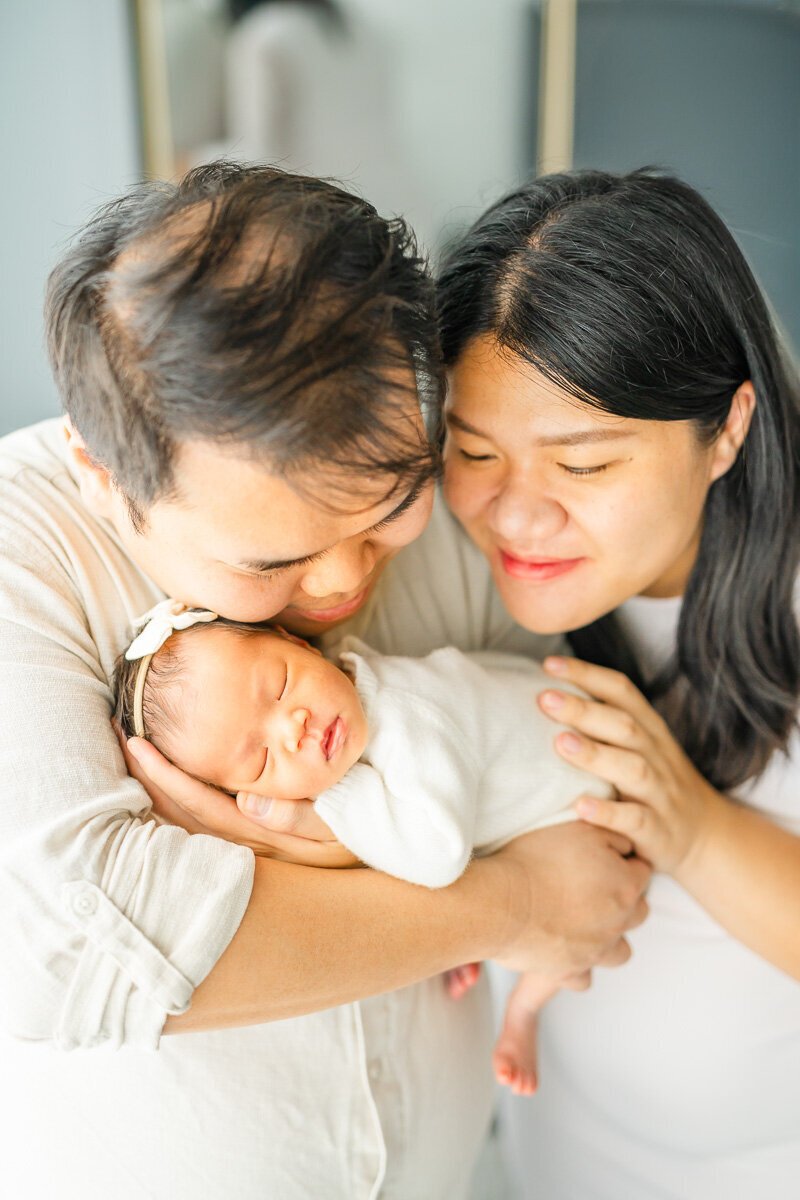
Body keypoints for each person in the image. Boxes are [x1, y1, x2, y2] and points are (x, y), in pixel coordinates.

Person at [0, 162, 648, 1200]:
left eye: (389, 507)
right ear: (100, 472)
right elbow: (63, 954)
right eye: (271, 561)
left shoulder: (457, 473)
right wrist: (509, 903)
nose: (345, 578)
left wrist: (276, 856)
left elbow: (562, 756)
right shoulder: (20, 551)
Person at [432, 167, 800, 1198]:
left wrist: (690, 825)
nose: (513, 516)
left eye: (581, 466)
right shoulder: (467, 569)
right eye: (472, 450)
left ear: (726, 428)